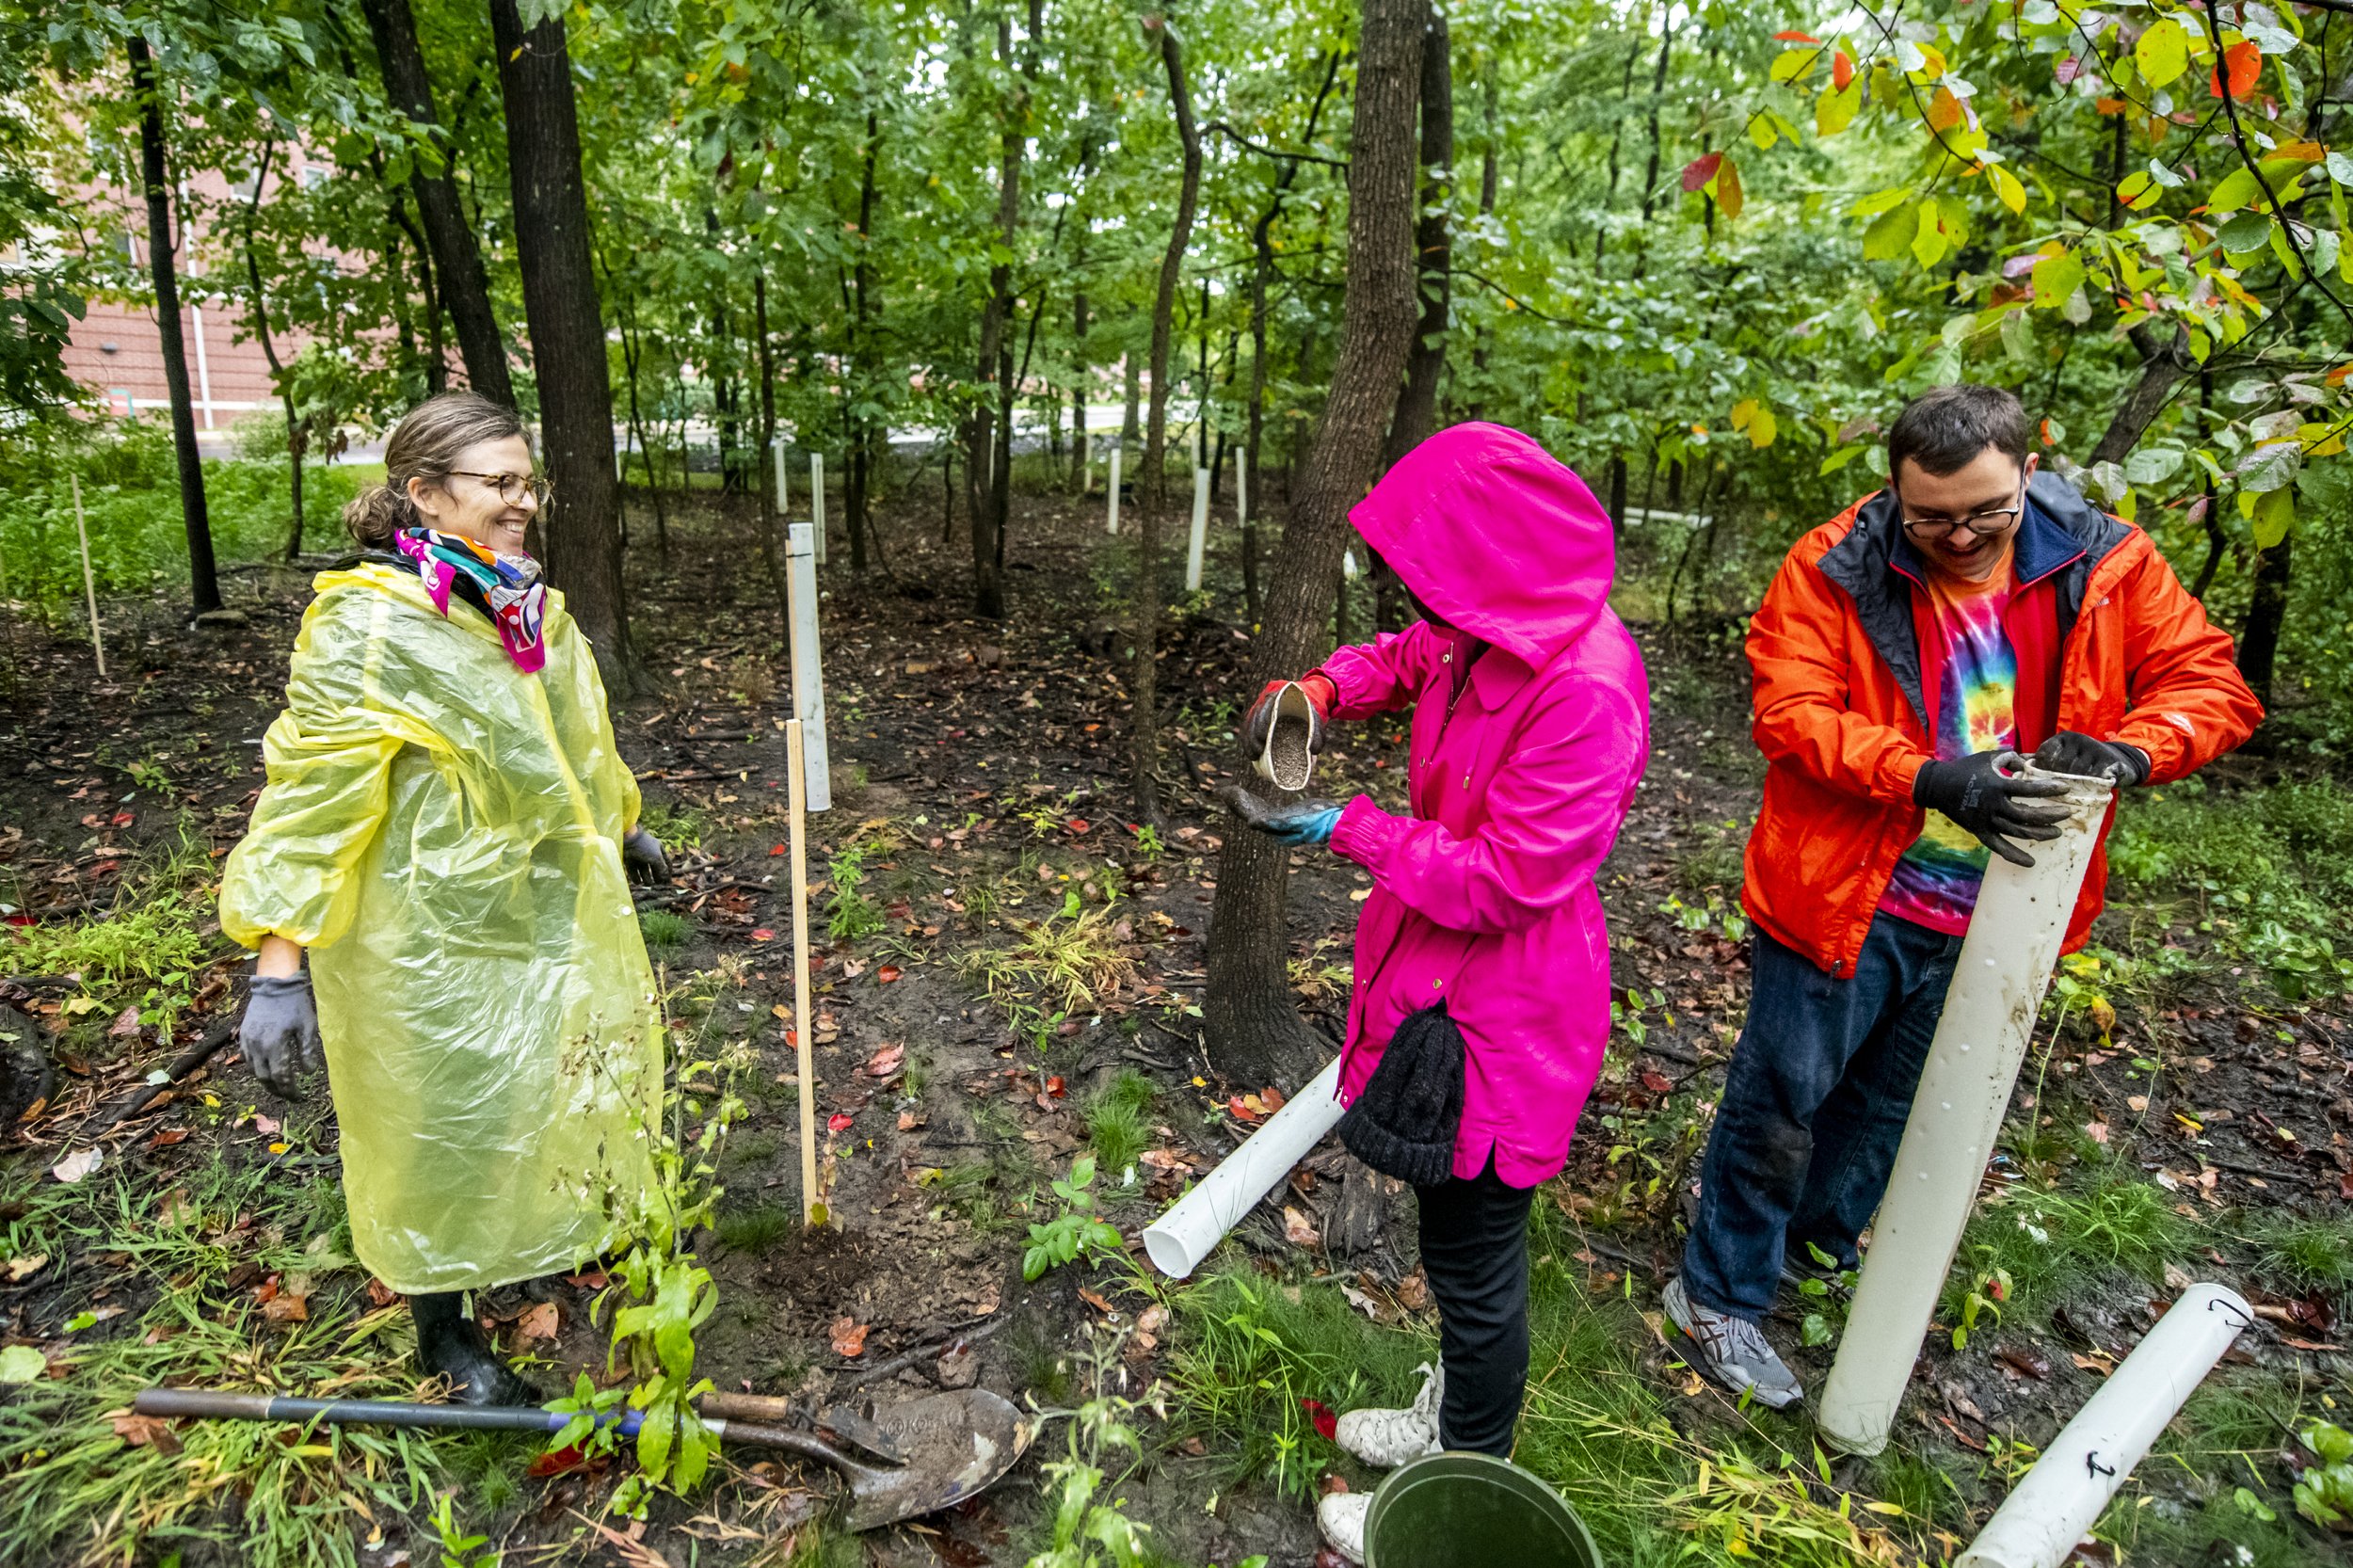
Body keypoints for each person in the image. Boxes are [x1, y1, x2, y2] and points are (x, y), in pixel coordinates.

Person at [1665, 384, 2263, 1406]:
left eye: (1986, 510)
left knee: (1887, 1104)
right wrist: (1930, 776)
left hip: (2005, 906)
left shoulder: (2109, 563)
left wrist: (2127, 750)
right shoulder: (1835, 564)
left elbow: (2213, 683)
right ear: (1894, 491)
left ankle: (1808, 1248)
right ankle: (1717, 1294)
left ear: (2029, 473)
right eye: (1931, 515)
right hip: (1848, 885)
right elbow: (1791, 710)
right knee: (1783, 1096)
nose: (1959, 534)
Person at [1225, 424, 1650, 1561]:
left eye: (1434, 573)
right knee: (1453, 1233)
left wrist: (1342, 825)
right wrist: (1318, 690)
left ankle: (1469, 1478)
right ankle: (1454, 1418)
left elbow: (1511, 878)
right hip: (1438, 976)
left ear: (1496, 559)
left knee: (1474, 1254)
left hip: (1502, 1012)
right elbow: (1412, 656)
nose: (1424, 600)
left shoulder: (1584, 692)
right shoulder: (1490, 630)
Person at [220, 392, 670, 1405]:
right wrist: (279, 964)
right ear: (424, 493)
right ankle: (446, 1333)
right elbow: (311, 794)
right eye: (499, 483)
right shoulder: (373, 625)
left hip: (536, 904)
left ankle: (536, 1236)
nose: (523, 502)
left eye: (528, 481)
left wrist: (622, 819)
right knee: (434, 1119)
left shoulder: (520, 604)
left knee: (537, 1078)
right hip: (416, 930)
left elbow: (573, 737)